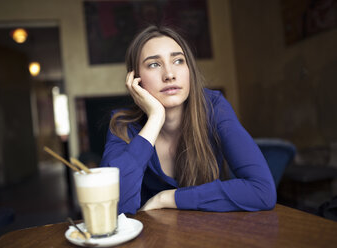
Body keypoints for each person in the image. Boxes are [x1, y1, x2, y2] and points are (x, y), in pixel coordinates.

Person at [100, 25, 276, 214]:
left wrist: (166, 198)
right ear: (136, 79)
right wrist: (155, 119)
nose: (169, 75)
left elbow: (262, 191)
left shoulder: (214, 107)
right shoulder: (123, 124)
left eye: (178, 61)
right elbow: (112, 210)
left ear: (189, 69)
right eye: (154, 64)